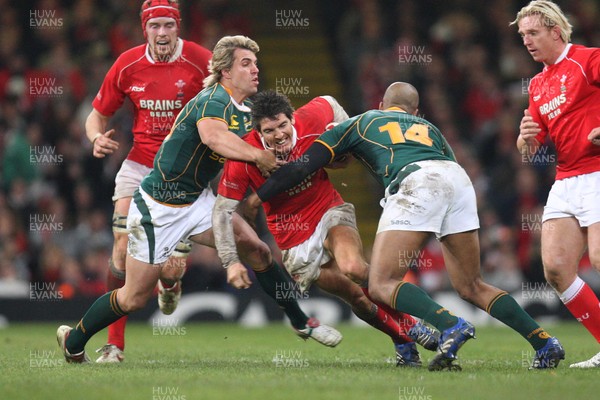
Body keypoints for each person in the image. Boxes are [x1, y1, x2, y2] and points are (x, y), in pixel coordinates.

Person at [57, 35, 342, 364]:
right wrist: (257, 156)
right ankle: (73, 338)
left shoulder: (244, 108)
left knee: (257, 249)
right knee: (134, 298)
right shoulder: (212, 100)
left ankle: (300, 321)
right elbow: (212, 137)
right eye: (245, 63)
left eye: (255, 62)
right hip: (157, 207)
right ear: (225, 71)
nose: (255, 69)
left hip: (196, 201)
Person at [246, 82, 565, 370]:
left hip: (417, 182)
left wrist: (255, 199)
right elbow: (450, 167)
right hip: (458, 180)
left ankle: (451, 324)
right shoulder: (430, 128)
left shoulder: (364, 121)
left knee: (382, 283)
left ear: (382, 106)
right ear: (415, 112)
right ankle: (544, 342)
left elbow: (300, 168)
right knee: (472, 286)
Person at [212, 90, 439, 367]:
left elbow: (330, 102)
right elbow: (222, 211)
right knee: (357, 298)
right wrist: (230, 261)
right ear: (258, 132)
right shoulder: (243, 156)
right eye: (269, 130)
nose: (279, 135)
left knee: (354, 267)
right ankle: (402, 340)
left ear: (292, 119)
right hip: (293, 239)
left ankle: (413, 325)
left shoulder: (312, 117)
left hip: (328, 210)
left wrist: (346, 149)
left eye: (283, 125)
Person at [85, 0, 213, 363]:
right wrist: (96, 138)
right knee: (122, 247)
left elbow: (234, 102)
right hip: (140, 166)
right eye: (154, 26)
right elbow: (96, 116)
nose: (161, 33)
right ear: (145, 29)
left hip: (185, 173)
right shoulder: (127, 64)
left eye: (167, 26)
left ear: (178, 27)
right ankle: (114, 344)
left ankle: (170, 283)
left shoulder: (201, 61)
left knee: (169, 268)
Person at [512, 0, 600, 368]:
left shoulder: (587, 58)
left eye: (533, 33)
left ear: (555, 31)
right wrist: (524, 139)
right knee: (556, 269)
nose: (527, 41)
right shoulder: (537, 84)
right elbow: (532, 145)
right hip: (566, 179)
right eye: (522, 36)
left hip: (597, 171)